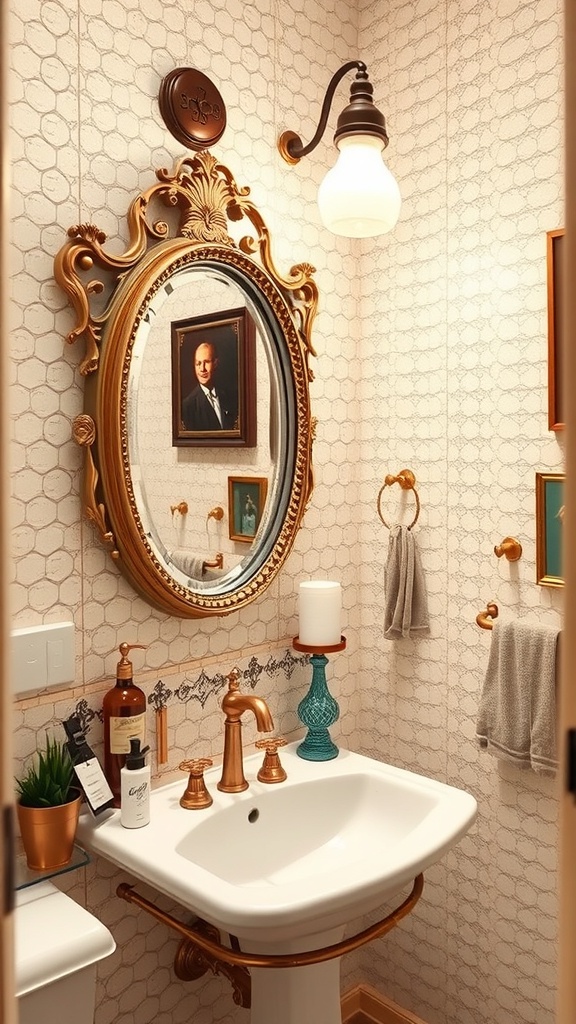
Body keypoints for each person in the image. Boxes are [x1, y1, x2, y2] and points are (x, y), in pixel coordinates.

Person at [181, 341, 238, 431]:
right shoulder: (187, 407)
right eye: (198, 364)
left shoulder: (231, 396)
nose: (202, 369)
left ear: (215, 363)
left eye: (206, 362)